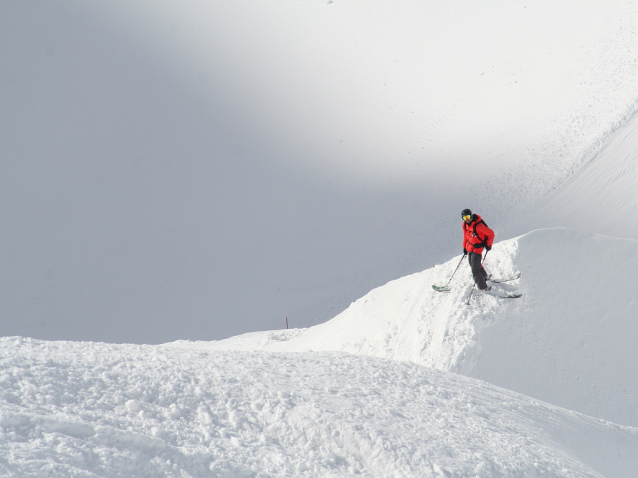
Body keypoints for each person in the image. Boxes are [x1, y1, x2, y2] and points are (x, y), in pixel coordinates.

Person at [462, 208, 495, 291]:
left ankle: (483, 287)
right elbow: (466, 236)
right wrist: (465, 247)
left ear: (471, 215)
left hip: (477, 249)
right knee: (473, 265)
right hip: (470, 248)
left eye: (468, 216)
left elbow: (491, 233)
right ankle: (485, 277)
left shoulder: (478, 226)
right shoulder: (465, 225)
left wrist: (488, 245)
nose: (467, 219)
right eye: (465, 217)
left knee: (475, 270)